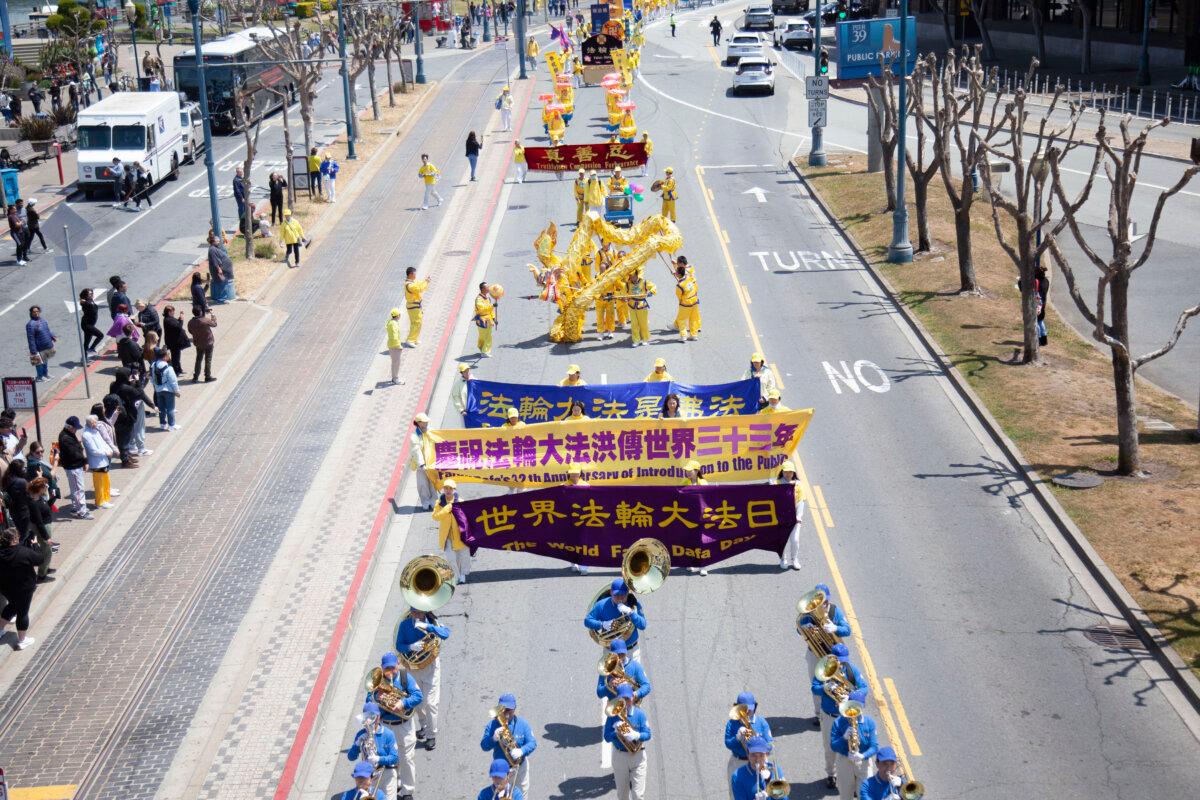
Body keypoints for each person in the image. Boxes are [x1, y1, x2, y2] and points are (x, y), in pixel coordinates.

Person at [813, 643, 870, 790]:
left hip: (848, 716)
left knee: (853, 746)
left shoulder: (851, 670)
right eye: (838, 660)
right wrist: (825, 688)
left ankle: (854, 777)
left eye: (843, 660)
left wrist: (850, 696)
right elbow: (814, 687)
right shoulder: (824, 670)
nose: (841, 663)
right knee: (830, 747)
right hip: (829, 716)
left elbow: (864, 688)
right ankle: (831, 774)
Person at [368, 651, 421, 800]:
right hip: (386, 725)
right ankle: (394, 782)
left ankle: (408, 791)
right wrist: (377, 700)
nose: (390, 672)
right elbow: (369, 702)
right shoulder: (377, 682)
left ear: (398, 665)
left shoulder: (405, 678)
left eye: (393, 668)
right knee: (388, 756)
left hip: (403, 725)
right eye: (387, 669)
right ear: (382, 668)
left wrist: (402, 703)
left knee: (407, 758)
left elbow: (418, 696)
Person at [396, 606, 450, 749]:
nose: (416, 616)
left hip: (431, 667)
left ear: (425, 611)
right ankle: (425, 726)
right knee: (418, 701)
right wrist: (411, 647)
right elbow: (398, 645)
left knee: (431, 703)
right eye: (414, 612)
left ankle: (431, 735)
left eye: (419, 612)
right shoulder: (405, 624)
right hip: (413, 668)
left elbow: (445, 634)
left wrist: (429, 627)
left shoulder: (433, 622)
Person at [797, 582, 852, 715]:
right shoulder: (807, 614)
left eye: (826, 601)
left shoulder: (834, 611)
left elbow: (848, 630)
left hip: (835, 654)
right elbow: (799, 630)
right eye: (821, 601)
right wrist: (807, 628)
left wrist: (835, 628)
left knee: (840, 682)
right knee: (817, 685)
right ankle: (819, 714)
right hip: (815, 654)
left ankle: (841, 709)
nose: (824, 604)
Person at [480, 693, 537, 799]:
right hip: (501, 772)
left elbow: (532, 743)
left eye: (509, 710)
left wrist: (522, 750)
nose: (506, 713)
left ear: (514, 709)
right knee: (502, 797)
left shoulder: (523, 724)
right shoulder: (492, 725)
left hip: (519, 768)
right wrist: (493, 739)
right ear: (498, 708)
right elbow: (484, 746)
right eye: (503, 709)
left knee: (520, 796)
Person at [604, 683, 651, 800]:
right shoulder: (613, 716)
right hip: (620, 756)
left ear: (632, 698)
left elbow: (648, 734)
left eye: (628, 698)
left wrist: (637, 735)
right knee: (623, 795)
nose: (626, 702)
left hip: (638, 757)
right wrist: (617, 733)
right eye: (622, 699)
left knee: (638, 795)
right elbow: (606, 737)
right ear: (618, 700)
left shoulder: (640, 714)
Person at [831, 689, 878, 800]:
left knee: (865, 795)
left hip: (863, 762)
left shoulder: (869, 723)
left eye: (858, 707)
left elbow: (874, 746)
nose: (854, 710)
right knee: (845, 795)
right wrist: (843, 738)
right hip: (844, 761)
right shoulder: (838, 722)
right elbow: (833, 745)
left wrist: (862, 755)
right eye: (852, 705)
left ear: (863, 706)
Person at [0, 528, 43, 650]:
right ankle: (22, 640)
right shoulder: (24, 552)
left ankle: (0, 629)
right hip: (23, 589)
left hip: (6, 588)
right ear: (14, 539)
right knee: (22, 613)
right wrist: (35, 545)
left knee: (12, 605)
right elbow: (40, 559)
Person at [346, 702, 399, 798]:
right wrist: (357, 744)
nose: (371, 720)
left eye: (374, 716)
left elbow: (394, 758)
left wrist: (378, 759)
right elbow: (351, 757)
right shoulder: (360, 734)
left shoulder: (388, 734)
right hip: (368, 776)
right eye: (368, 717)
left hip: (387, 772)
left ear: (379, 717)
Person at [585, 578, 646, 660]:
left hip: (631, 651)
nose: (619, 598)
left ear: (627, 593)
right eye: (616, 595)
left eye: (622, 595)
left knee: (635, 672)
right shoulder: (601, 605)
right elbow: (587, 621)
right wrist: (602, 624)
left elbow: (643, 625)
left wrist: (631, 612)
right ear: (611, 592)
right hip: (611, 652)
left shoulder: (633, 604)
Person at [725, 692, 774, 792]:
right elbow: (728, 743)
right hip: (738, 762)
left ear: (755, 706)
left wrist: (759, 744)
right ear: (736, 707)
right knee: (735, 793)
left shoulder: (761, 722)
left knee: (763, 790)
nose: (747, 712)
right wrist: (737, 738)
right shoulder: (731, 723)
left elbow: (770, 745)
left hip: (759, 761)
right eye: (744, 709)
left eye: (749, 709)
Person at [432, 479, 471, 583]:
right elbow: (435, 517)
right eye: (446, 488)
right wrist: (447, 508)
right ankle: (457, 576)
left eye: (450, 488)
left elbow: (468, 518)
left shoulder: (461, 502)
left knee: (463, 557)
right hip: (447, 538)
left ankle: (463, 574)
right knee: (451, 558)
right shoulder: (439, 503)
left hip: (460, 536)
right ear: (443, 489)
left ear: (454, 490)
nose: (448, 490)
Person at [58, 417, 92, 519]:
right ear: (69, 427)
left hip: (72, 467)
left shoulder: (66, 434)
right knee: (78, 489)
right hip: (74, 467)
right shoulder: (66, 438)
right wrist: (85, 461)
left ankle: (75, 507)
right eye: (75, 428)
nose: (76, 430)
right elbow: (75, 453)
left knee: (74, 488)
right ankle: (82, 511)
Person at [81, 415, 117, 508]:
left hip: (103, 460)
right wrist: (106, 452)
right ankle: (100, 502)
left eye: (95, 422)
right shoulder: (86, 435)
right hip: (96, 463)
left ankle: (105, 499)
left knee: (105, 481)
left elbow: (103, 442)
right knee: (99, 484)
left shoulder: (95, 431)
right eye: (93, 423)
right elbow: (93, 450)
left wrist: (109, 450)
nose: (95, 424)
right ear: (89, 423)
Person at [408, 412, 436, 509]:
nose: (426, 423)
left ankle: (434, 502)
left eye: (426, 421)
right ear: (419, 423)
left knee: (433, 483)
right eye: (424, 422)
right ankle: (425, 503)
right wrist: (422, 464)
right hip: (421, 465)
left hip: (432, 462)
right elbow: (416, 451)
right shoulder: (414, 437)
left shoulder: (431, 431)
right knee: (423, 484)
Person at [150, 347, 180, 431]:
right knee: (170, 408)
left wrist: (155, 386)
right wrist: (176, 391)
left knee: (161, 408)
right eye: (168, 355)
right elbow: (173, 381)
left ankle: (162, 424)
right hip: (168, 391)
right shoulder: (168, 368)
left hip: (158, 390)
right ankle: (172, 425)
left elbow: (152, 378)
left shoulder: (153, 365)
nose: (168, 356)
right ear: (164, 357)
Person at [25, 305, 56, 382]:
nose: (36, 313)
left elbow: (47, 330)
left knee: (45, 361)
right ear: (31, 313)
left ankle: (45, 374)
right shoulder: (30, 325)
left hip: (47, 345)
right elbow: (30, 338)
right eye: (34, 312)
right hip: (39, 347)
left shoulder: (43, 320)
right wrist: (33, 350)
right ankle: (39, 377)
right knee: (39, 363)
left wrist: (52, 336)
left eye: (37, 311)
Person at [187, 305, 218, 383]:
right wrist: (213, 316)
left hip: (198, 343)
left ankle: (196, 376)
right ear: (200, 312)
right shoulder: (205, 320)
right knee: (208, 360)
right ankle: (207, 376)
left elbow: (190, 331)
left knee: (198, 360)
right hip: (208, 343)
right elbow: (214, 324)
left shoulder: (191, 322)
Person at [672, 258, 700, 341]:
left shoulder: (679, 285)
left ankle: (683, 335)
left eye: (676, 272)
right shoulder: (689, 278)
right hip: (694, 302)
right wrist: (675, 266)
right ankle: (694, 335)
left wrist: (681, 302)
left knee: (681, 320)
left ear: (678, 275)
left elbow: (679, 296)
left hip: (685, 304)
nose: (675, 273)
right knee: (693, 319)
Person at [627, 269, 656, 347]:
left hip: (641, 305)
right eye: (630, 277)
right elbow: (622, 293)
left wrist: (651, 292)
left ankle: (645, 338)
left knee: (643, 323)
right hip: (632, 305)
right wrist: (622, 297)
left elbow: (653, 286)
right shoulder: (628, 284)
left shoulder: (644, 282)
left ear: (637, 275)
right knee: (634, 324)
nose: (631, 278)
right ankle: (636, 340)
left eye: (633, 277)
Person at [162, 306, 190, 376]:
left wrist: (179, 318)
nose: (174, 312)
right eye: (173, 311)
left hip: (174, 341)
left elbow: (176, 323)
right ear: (169, 312)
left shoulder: (169, 319)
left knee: (177, 356)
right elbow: (178, 327)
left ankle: (179, 369)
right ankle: (176, 371)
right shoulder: (168, 320)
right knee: (175, 357)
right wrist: (181, 320)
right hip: (173, 342)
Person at [208, 234, 236, 303]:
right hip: (220, 270)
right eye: (217, 241)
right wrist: (219, 269)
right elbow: (215, 261)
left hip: (224, 268)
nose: (219, 242)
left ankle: (222, 298)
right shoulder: (212, 250)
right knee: (221, 283)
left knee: (223, 282)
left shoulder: (214, 248)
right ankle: (222, 299)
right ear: (213, 241)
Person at [474, 282, 497, 357]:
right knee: (483, 336)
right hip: (482, 320)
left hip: (488, 320)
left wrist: (494, 318)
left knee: (488, 336)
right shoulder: (478, 299)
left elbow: (491, 310)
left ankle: (484, 351)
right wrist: (492, 306)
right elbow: (482, 309)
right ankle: (482, 349)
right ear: (483, 289)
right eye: (487, 287)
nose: (489, 288)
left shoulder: (488, 298)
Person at [8, 199, 28, 265]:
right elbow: (17, 224)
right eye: (14, 209)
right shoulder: (11, 216)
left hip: (20, 232)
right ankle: (19, 260)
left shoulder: (15, 215)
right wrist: (21, 222)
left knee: (21, 245)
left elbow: (19, 222)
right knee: (20, 245)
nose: (15, 210)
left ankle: (20, 259)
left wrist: (20, 222)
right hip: (15, 233)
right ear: (11, 210)